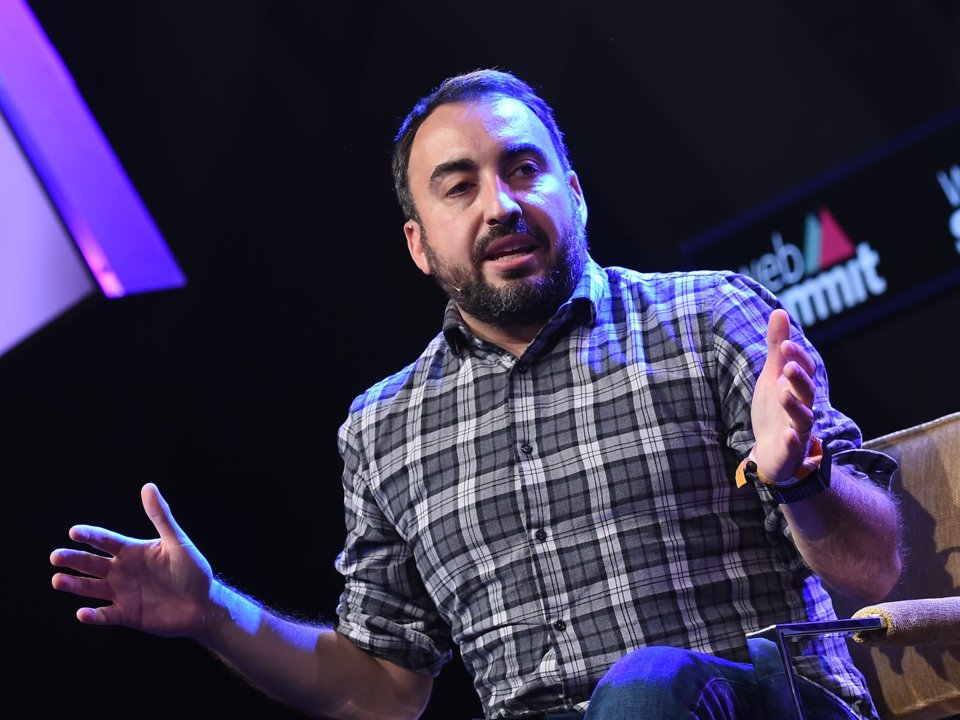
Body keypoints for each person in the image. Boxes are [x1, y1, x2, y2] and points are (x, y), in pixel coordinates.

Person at [50, 69, 902, 720]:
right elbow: (382, 690)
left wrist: (802, 480)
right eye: (459, 186)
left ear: (574, 195)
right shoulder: (385, 428)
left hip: (758, 703)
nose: (500, 204)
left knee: (645, 688)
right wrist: (212, 614)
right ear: (419, 245)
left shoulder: (707, 316)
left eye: (524, 169)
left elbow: (873, 568)